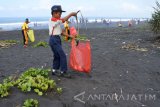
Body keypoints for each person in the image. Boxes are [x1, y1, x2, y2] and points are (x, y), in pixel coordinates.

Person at [49, 5, 77, 78]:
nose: (60, 15)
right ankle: (63, 71)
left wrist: (71, 36)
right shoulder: (53, 20)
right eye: (59, 13)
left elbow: (62, 32)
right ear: (54, 13)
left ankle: (54, 70)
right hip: (53, 39)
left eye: (61, 13)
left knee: (57, 55)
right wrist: (71, 14)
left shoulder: (57, 22)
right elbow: (63, 20)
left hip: (57, 39)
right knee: (62, 55)